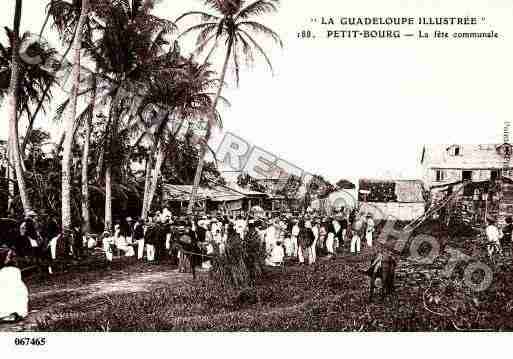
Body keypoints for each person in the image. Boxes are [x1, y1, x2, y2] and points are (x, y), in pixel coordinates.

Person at [0, 249, 28, 322]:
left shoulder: (12, 270)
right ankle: (10, 313)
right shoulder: (13, 270)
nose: (12, 258)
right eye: (10, 257)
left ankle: (8, 313)